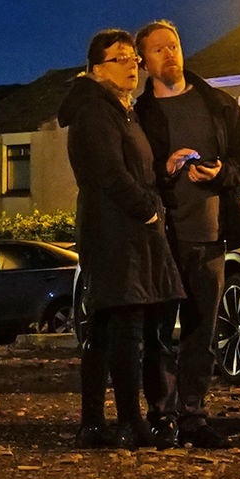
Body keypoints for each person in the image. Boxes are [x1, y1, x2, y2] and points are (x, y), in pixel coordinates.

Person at [131, 19, 240, 448]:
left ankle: (194, 415)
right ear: (144, 62)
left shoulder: (218, 105)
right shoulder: (139, 114)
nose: (170, 54)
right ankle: (161, 415)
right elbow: (130, 173)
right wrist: (163, 171)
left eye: (175, 45)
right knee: (160, 331)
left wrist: (224, 172)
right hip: (161, 236)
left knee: (203, 329)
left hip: (209, 232)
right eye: (159, 50)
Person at [64, 29, 182, 447]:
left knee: (118, 328)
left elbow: (130, 167)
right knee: (121, 328)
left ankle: (101, 423)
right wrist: (146, 208)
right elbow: (108, 173)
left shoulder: (119, 109)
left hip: (130, 231)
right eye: (120, 58)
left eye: (134, 57)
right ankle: (125, 423)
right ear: (97, 68)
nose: (132, 65)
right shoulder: (96, 112)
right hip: (115, 231)